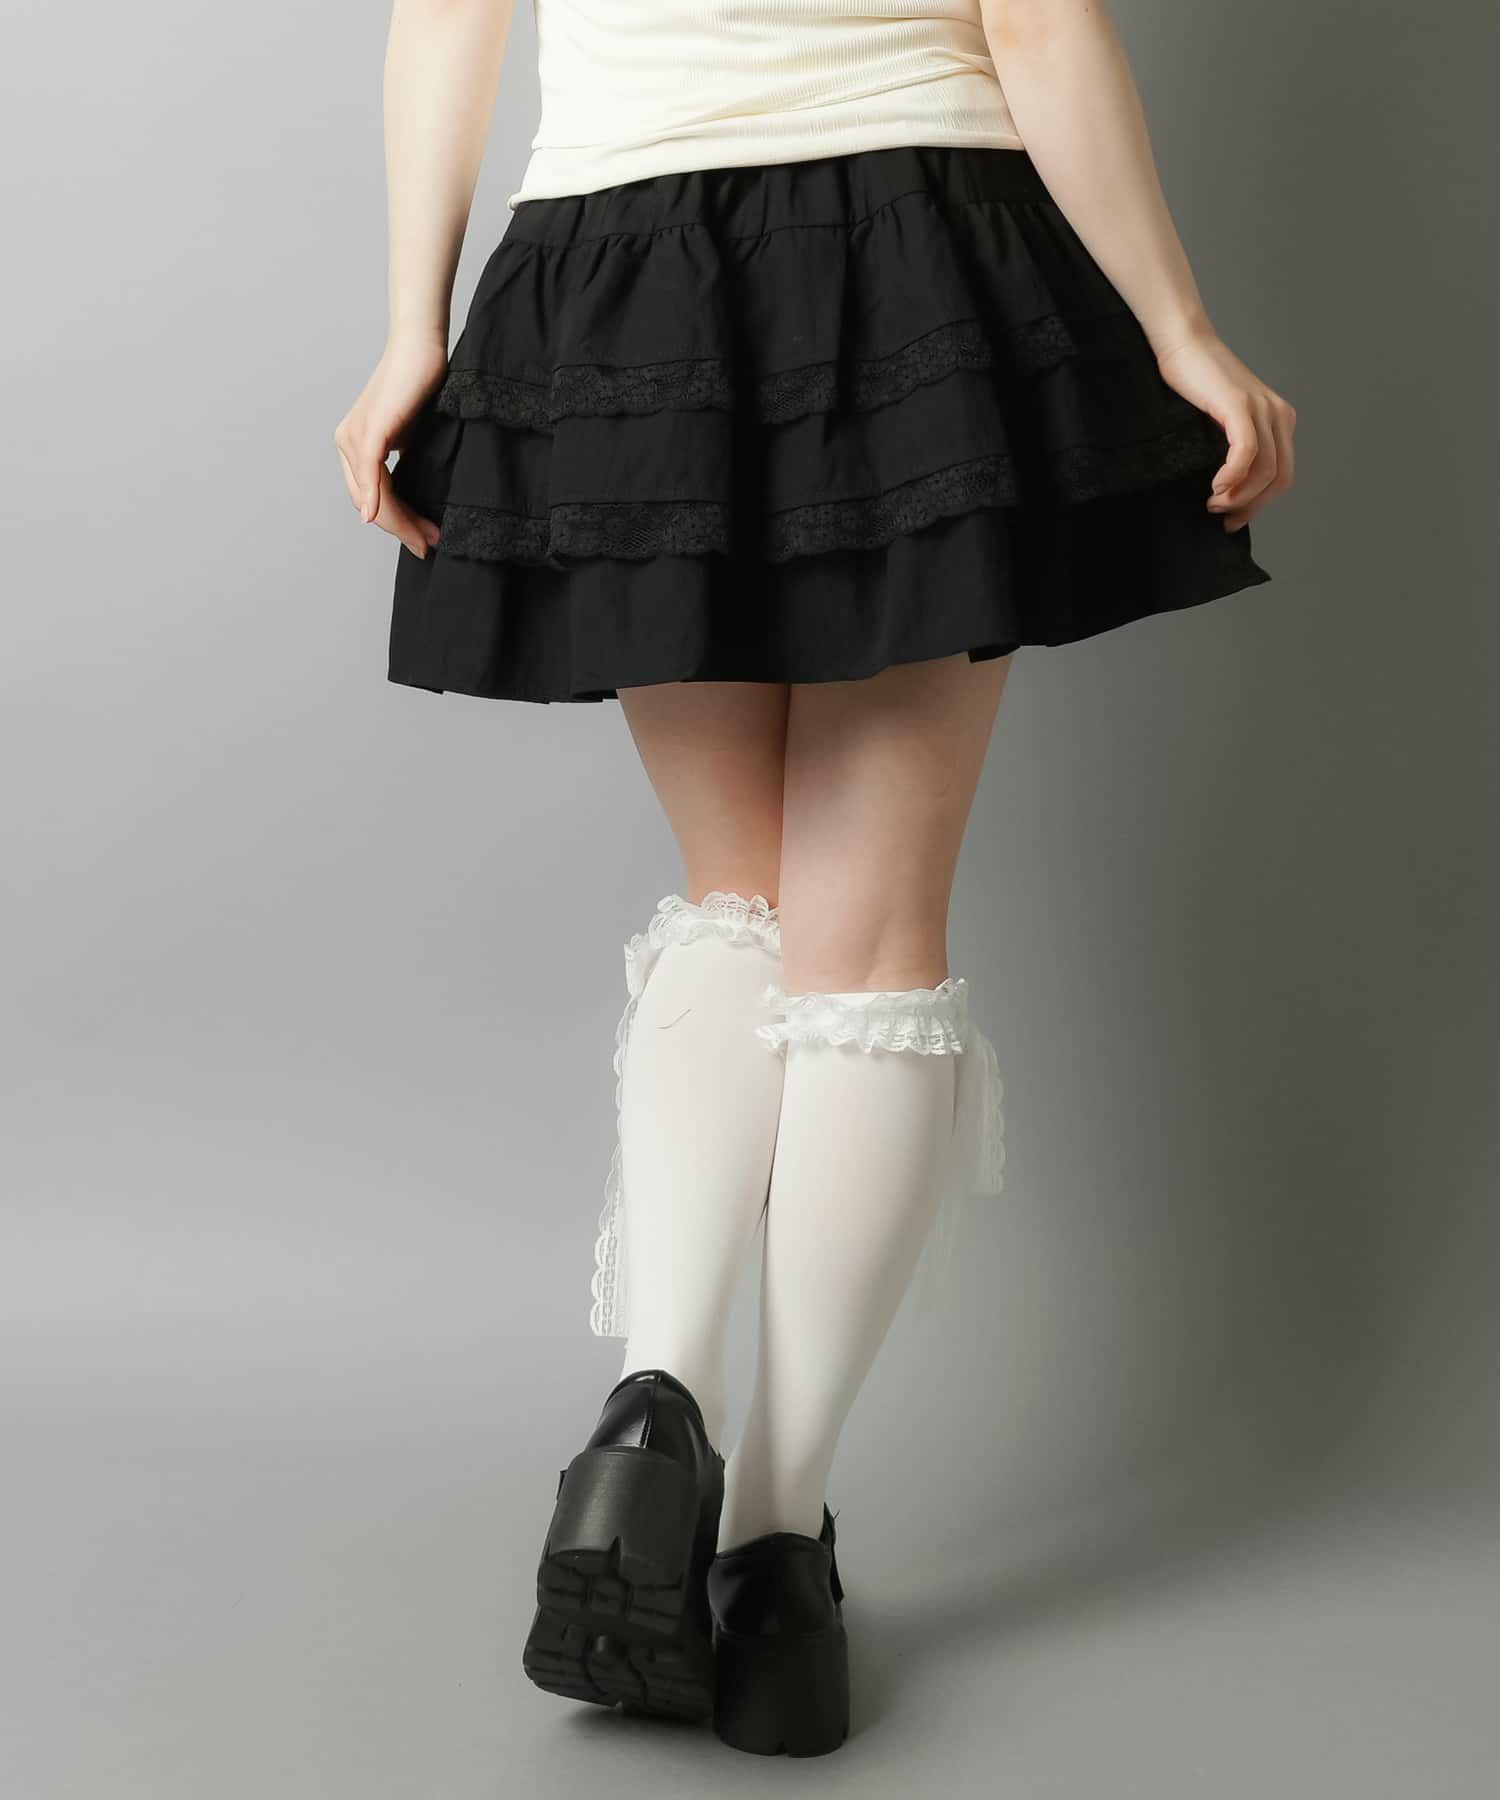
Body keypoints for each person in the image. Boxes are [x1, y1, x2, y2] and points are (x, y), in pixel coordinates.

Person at [333, 0, 1295, 1758]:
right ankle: (775, 1558)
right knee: (869, 943)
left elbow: (444, 19)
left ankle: (648, 1426)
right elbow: (1038, 22)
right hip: (918, 251)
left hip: (622, 263)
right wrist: (1182, 329)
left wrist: (413, 327)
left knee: (740, 901)